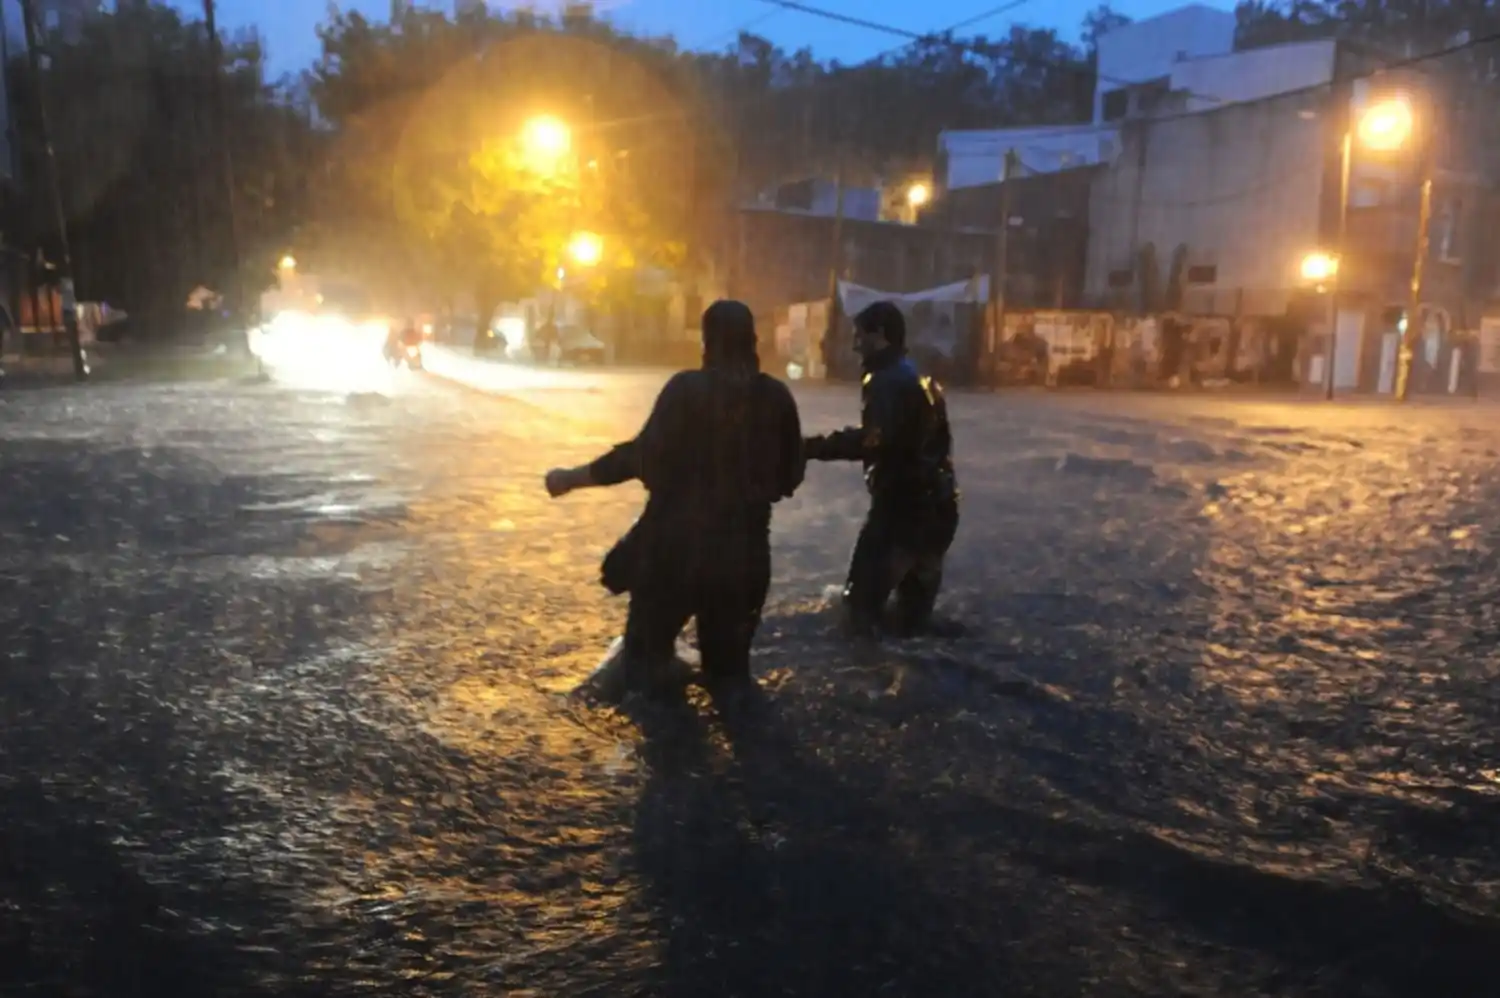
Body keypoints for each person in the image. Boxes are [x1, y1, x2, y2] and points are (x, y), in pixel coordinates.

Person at [545, 300, 804, 693]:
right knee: (729, 682)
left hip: (675, 555)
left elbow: (638, 457)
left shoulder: (686, 390)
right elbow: (791, 476)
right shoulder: (777, 397)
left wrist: (570, 479)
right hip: (744, 560)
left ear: (707, 341)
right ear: (753, 341)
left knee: (642, 675)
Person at [804, 300, 959, 638]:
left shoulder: (884, 379)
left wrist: (811, 448)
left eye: (860, 336)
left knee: (858, 613)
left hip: (901, 513)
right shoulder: (921, 377)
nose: (854, 345)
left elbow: (874, 441)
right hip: (940, 511)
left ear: (881, 336)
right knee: (913, 624)